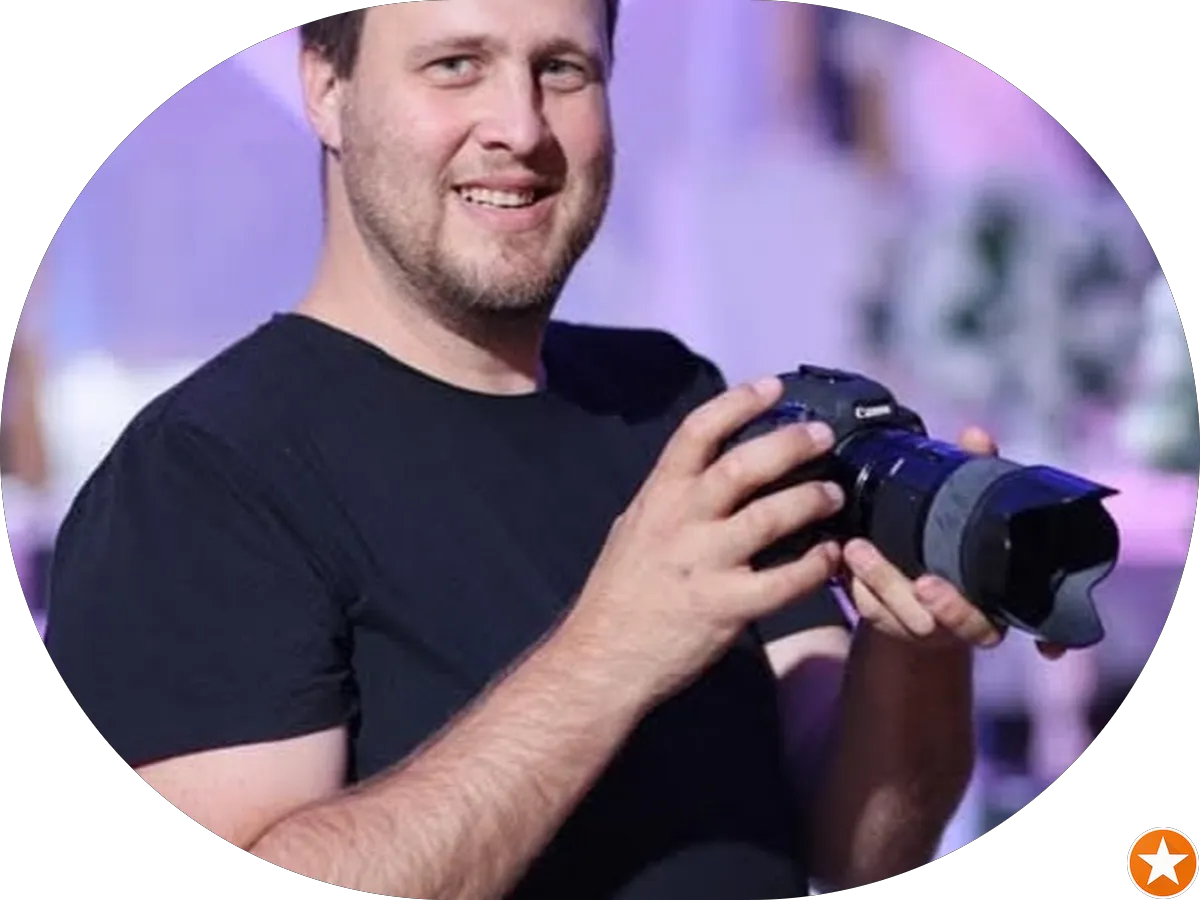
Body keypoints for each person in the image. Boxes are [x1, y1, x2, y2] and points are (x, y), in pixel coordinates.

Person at [43, 3, 1066, 898]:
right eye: (457, 65)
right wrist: (612, 652)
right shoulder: (199, 475)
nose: (521, 127)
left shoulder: (673, 402)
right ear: (325, 87)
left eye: (563, 69)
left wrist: (916, 648)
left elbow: (861, 848)